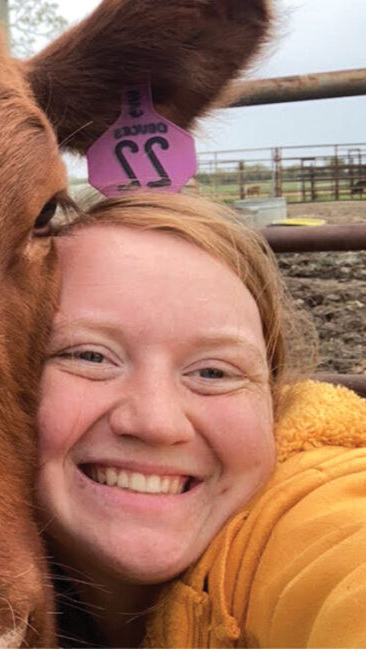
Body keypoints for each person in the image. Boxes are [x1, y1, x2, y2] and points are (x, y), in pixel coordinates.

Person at [36, 191, 366, 648]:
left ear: (272, 400)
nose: (157, 422)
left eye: (214, 372)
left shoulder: (313, 516)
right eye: (90, 356)